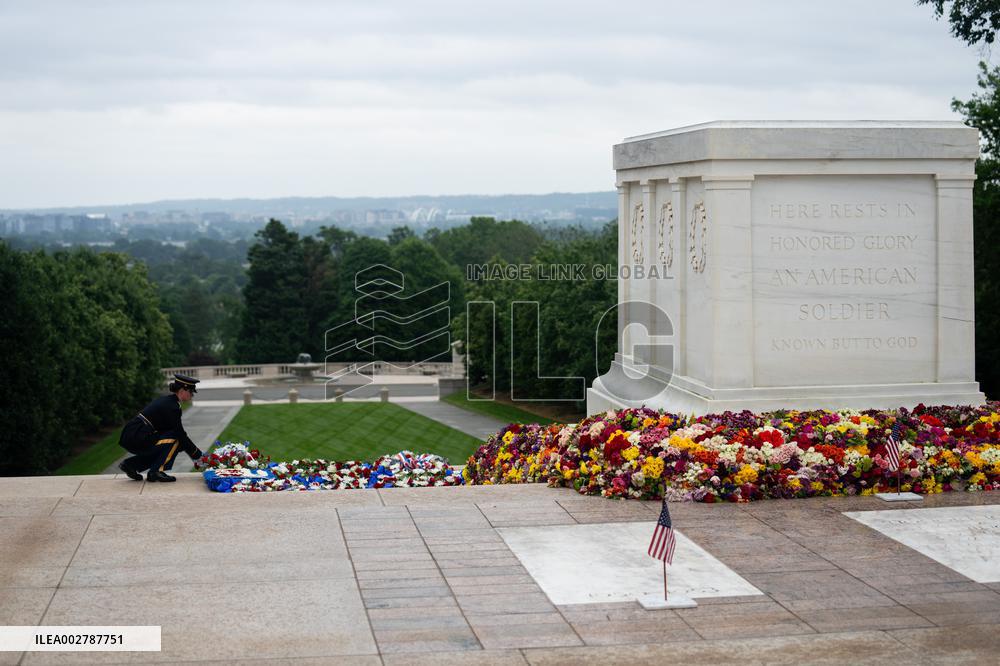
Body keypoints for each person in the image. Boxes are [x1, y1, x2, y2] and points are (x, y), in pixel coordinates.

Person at [118, 373, 205, 482]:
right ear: (182, 391)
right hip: (138, 436)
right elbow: (179, 434)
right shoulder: (173, 407)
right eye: (191, 392)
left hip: (135, 434)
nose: (192, 395)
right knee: (176, 440)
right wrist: (198, 455)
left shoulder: (168, 401)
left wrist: (191, 452)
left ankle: (130, 465)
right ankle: (156, 471)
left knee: (170, 446)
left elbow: (169, 430)